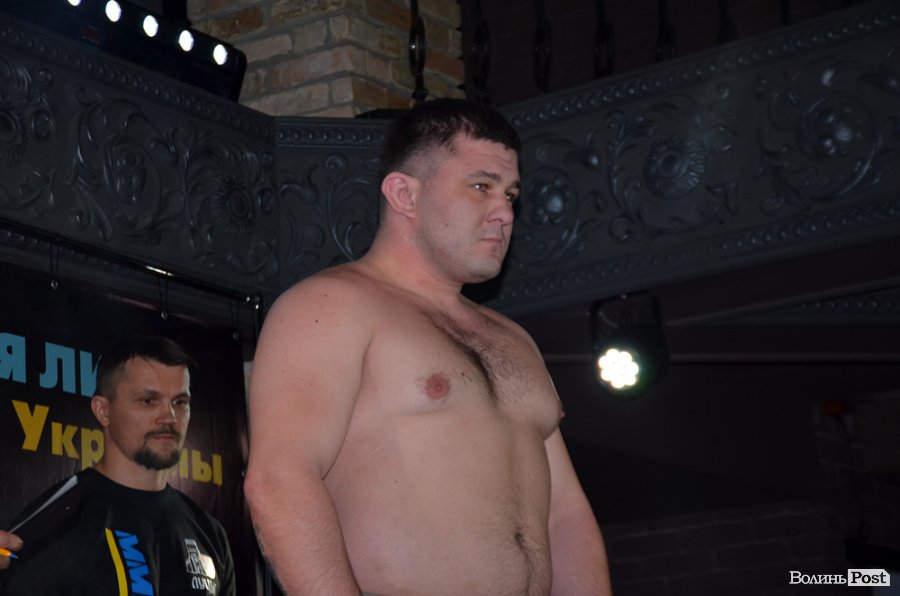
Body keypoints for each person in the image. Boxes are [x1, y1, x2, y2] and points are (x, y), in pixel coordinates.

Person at [244, 98, 612, 596]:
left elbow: (565, 512)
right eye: (481, 186)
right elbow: (280, 480)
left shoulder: (514, 339)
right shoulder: (329, 305)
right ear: (404, 195)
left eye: (510, 194)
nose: (505, 212)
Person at [0, 335, 235, 595]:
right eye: (148, 401)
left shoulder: (209, 533)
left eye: (180, 402)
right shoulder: (56, 522)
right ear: (103, 411)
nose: (169, 417)